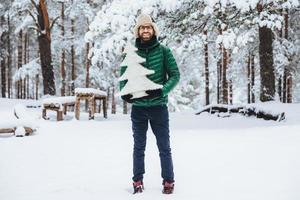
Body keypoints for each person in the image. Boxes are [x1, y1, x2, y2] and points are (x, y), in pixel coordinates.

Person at [119, 13, 180, 194]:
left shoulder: (163, 51)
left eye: (148, 27)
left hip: (158, 108)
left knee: (164, 147)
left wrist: (162, 90)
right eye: (142, 27)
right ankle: (137, 181)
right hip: (138, 109)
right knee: (139, 147)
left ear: (153, 30)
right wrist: (125, 94)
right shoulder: (131, 52)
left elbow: (175, 75)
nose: (145, 30)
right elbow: (124, 76)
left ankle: (168, 181)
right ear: (138, 31)